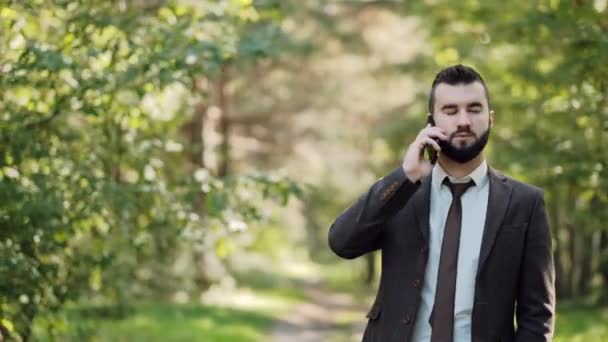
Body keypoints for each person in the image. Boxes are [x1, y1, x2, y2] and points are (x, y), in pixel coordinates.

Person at [328, 65, 555, 342]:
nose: (463, 121)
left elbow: (537, 315)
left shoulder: (525, 203)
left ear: (491, 118)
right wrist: (405, 176)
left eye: (474, 109)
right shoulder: (403, 194)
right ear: (430, 122)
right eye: (450, 111)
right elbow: (342, 242)